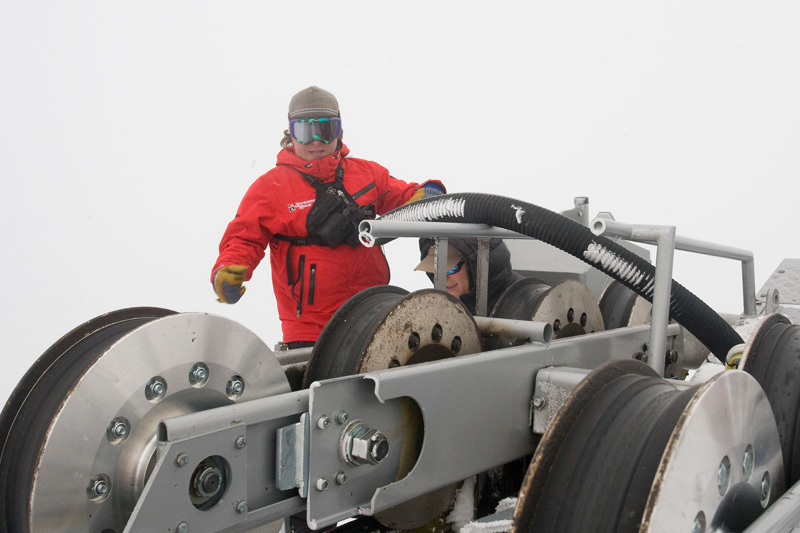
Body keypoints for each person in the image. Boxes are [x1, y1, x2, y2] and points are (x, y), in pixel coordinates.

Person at [212, 86, 444, 349]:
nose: (315, 142)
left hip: (374, 314)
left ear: (339, 130)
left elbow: (405, 197)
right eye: (304, 131)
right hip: (309, 330)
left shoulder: (367, 174)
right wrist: (229, 269)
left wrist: (428, 193)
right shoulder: (270, 188)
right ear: (290, 134)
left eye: (325, 130)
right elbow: (244, 237)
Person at [416, 237, 522, 315]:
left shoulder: (524, 307)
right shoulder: (440, 309)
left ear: (476, 265)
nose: (442, 278)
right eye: (435, 269)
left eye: (450, 268)